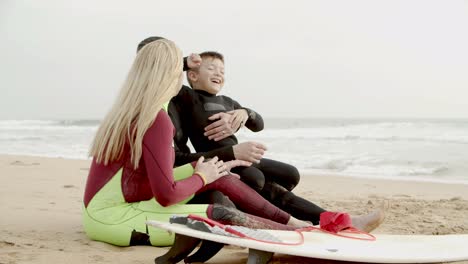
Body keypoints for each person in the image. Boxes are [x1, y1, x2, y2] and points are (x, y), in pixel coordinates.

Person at [82, 38, 320, 248]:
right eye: (180, 68)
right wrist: (201, 178)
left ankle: (295, 222)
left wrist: (208, 172)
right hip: (114, 217)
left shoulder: (132, 109)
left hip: (115, 201)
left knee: (218, 172)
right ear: (173, 74)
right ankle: (295, 234)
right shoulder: (156, 119)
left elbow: (151, 67)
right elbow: (166, 195)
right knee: (219, 212)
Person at [166, 50, 329, 225]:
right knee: (256, 179)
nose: (218, 73)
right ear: (193, 75)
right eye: (211, 68)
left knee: (290, 174)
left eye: (222, 71)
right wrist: (186, 62)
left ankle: (319, 218)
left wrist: (246, 113)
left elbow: (258, 125)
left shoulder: (228, 102)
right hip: (221, 159)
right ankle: (307, 217)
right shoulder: (187, 97)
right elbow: (165, 74)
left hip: (243, 157)